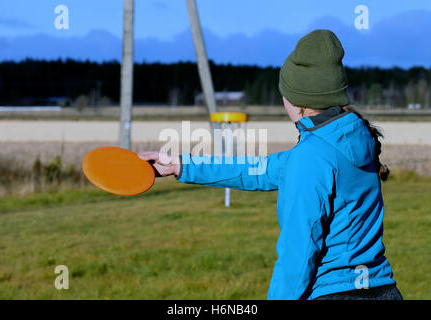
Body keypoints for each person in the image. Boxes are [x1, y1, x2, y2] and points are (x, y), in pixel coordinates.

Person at [138, 29, 402, 300]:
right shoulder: (351, 138)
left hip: (335, 294)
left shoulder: (310, 157)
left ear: (296, 101)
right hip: (383, 290)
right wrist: (182, 165)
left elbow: (298, 253)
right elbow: (253, 170)